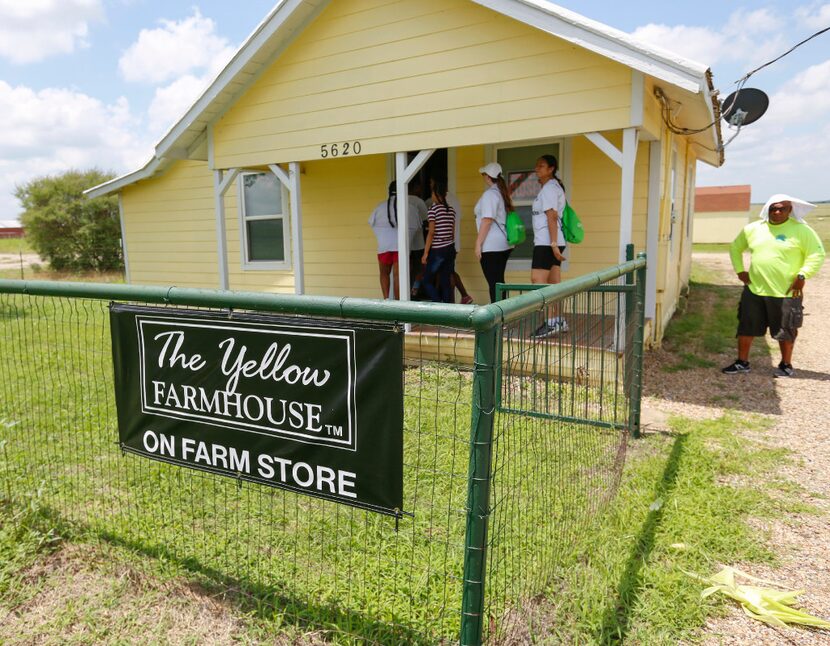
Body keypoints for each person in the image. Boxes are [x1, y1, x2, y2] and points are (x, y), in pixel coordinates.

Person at [721, 194, 825, 377]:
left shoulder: (802, 230)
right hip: (754, 290)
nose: (776, 212)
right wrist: (740, 271)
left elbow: (817, 254)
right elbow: (735, 248)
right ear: (767, 209)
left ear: (790, 210)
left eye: (781, 208)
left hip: (787, 292)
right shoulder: (753, 229)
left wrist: (803, 275)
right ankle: (742, 363)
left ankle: (786, 365)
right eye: (773, 208)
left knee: (787, 329)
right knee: (746, 326)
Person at [530, 154, 569, 337]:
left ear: (551, 168)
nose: (537, 168)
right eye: (537, 165)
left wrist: (553, 244)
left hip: (547, 242)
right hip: (551, 241)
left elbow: (551, 217)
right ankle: (558, 320)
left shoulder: (549, 189)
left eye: (541, 166)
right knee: (554, 283)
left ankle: (551, 322)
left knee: (538, 280)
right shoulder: (550, 187)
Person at [368, 182, 422, 300]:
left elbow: (371, 222)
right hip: (401, 247)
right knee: (398, 275)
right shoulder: (410, 207)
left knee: (384, 273)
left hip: (384, 247)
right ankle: (398, 303)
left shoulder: (379, 207)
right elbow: (418, 226)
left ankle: (386, 299)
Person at [474, 162, 513, 303]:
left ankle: (498, 318)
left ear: (487, 176)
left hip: (491, 245)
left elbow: (487, 220)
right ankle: (504, 314)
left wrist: (478, 243)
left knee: (494, 283)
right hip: (504, 244)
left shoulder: (490, 194)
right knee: (499, 282)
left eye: (483, 174)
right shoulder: (502, 193)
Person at [421, 178, 456, 303]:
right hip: (450, 248)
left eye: (432, 193)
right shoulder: (451, 210)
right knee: (445, 281)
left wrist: (425, 253)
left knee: (426, 281)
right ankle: (446, 308)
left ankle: (437, 303)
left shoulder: (433, 210)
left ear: (436, 194)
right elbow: (452, 232)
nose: (431, 196)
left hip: (438, 250)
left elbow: (431, 232)